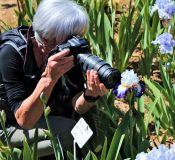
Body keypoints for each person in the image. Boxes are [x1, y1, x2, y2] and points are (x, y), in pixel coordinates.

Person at [0, 0, 108, 158]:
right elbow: (24, 120)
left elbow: (75, 106)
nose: (73, 44)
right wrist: (49, 79)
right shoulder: (11, 54)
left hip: (40, 113)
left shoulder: (67, 50)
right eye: (67, 39)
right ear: (45, 38)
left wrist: (90, 94)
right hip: (7, 123)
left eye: (77, 37)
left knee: (89, 122)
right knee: (71, 133)